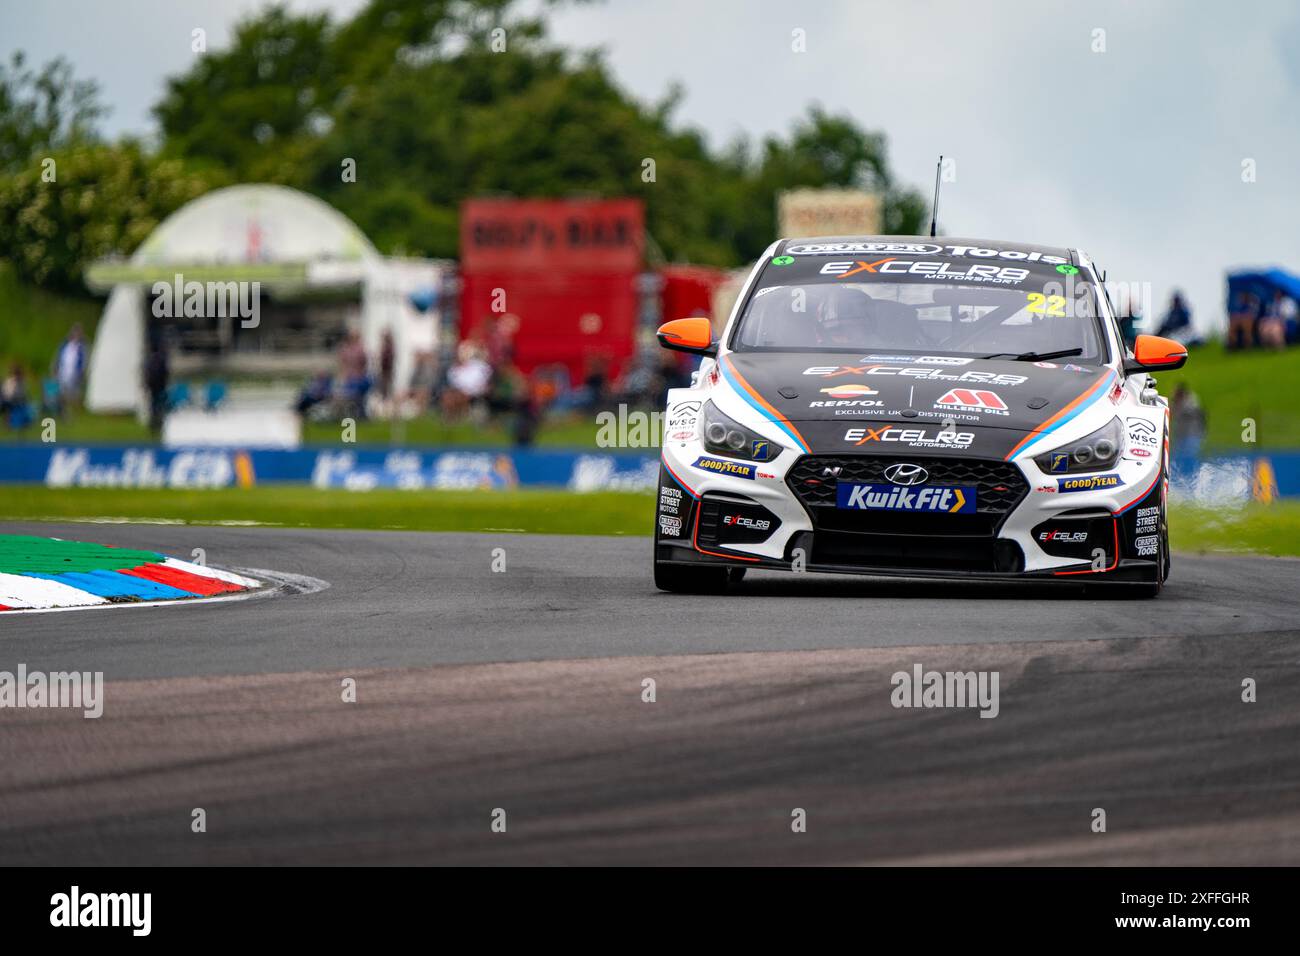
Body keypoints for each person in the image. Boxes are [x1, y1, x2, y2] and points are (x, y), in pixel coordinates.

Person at [1170, 383, 1206, 478]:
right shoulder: (1177, 402)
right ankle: (1181, 477)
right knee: (1178, 458)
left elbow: (1190, 414)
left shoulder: (1192, 402)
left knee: (1189, 457)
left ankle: (1191, 477)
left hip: (1192, 435)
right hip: (1180, 436)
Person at [53, 324, 87, 414]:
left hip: (75, 374)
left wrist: (82, 373)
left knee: (75, 394)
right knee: (61, 393)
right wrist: (55, 368)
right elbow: (58, 357)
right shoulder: (64, 345)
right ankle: (63, 410)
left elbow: (84, 361)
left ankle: (76, 411)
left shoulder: (82, 347)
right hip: (63, 372)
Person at [143, 338, 170, 433]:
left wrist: (146, 385)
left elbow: (147, 374)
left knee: (153, 405)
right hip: (160, 386)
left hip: (152, 386)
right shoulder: (161, 359)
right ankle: (160, 423)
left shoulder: (149, 360)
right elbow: (166, 373)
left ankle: (153, 424)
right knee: (160, 405)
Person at [1, 363, 34, 429]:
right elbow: (6, 394)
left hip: (19, 401)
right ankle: (8, 423)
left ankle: (23, 422)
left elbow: (24, 394)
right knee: (9, 406)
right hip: (8, 401)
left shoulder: (22, 382)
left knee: (27, 406)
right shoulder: (10, 381)